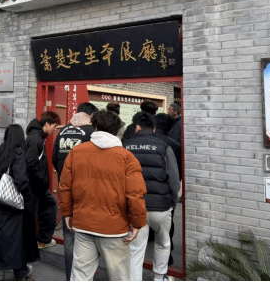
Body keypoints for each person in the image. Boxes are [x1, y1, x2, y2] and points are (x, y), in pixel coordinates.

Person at [59, 110, 147, 281]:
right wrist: (137, 223)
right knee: (120, 276)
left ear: (96, 127)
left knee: (80, 275)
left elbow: (65, 186)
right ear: (117, 130)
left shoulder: (76, 152)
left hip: (83, 224)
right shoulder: (126, 157)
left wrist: (67, 213)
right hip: (115, 228)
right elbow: (135, 194)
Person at [123, 113, 180, 282]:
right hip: (161, 207)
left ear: (137, 127)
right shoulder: (163, 146)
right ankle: (160, 277)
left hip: (135, 207)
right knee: (163, 243)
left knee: (135, 248)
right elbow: (174, 179)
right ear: (154, 129)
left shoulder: (125, 146)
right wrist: (172, 202)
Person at [0, 124, 40, 281]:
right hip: (14, 207)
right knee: (16, 241)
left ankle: (16, 272)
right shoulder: (18, 153)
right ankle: (19, 273)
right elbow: (21, 180)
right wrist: (27, 196)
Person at [52, 102, 97, 281]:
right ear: (92, 115)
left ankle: (71, 275)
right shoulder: (91, 132)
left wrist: (63, 177)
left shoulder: (63, 131)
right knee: (87, 237)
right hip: (86, 190)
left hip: (66, 190)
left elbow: (54, 158)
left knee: (69, 235)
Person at [25, 111, 60, 249]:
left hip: (37, 185)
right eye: (54, 126)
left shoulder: (38, 136)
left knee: (49, 205)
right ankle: (32, 243)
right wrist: (42, 180)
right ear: (46, 124)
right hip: (34, 185)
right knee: (33, 213)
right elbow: (31, 164)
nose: (55, 129)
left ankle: (42, 239)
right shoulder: (36, 139)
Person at [153, 113, 183, 267]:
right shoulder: (175, 146)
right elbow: (177, 173)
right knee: (167, 228)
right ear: (171, 128)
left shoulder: (140, 141)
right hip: (165, 193)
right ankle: (166, 258)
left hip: (142, 193)